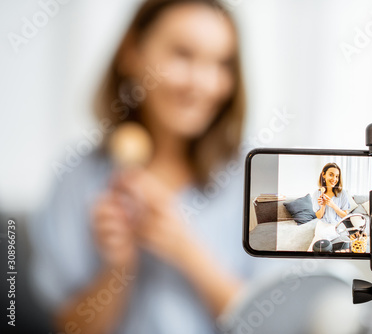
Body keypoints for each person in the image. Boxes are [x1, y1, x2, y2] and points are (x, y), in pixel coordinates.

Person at [28, 1, 253, 333]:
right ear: (132, 53)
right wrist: (119, 267)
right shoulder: (76, 178)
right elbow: (70, 327)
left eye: (222, 63)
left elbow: (271, 320)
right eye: (183, 54)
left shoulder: (251, 179)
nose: (202, 83)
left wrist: (183, 248)